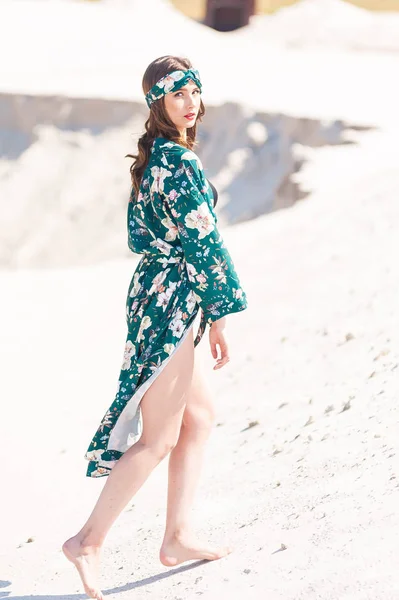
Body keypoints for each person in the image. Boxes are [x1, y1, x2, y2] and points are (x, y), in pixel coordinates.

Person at [62, 55, 248, 600]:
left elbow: (151, 238)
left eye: (193, 92)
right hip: (173, 300)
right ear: (158, 106)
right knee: (160, 435)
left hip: (159, 292)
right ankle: (87, 541)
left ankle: (179, 534)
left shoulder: (156, 160)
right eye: (177, 96)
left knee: (201, 417)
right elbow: (203, 240)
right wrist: (217, 313)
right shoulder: (178, 164)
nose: (190, 104)